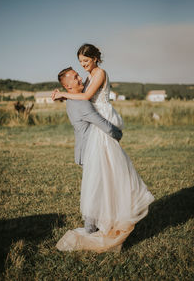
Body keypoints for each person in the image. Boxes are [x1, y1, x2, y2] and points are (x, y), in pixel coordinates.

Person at [53, 44, 154, 253]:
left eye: (85, 61)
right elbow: (83, 99)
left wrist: (63, 95)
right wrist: (65, 95)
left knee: (106, 176)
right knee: (105, 177)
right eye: (80, 63)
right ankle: (103, 220)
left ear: (95, 58)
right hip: (98, 128)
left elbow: (85, 96)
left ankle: (102, 220)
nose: (83, 67)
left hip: (102, 120)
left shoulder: (98, 73)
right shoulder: (87, 80)